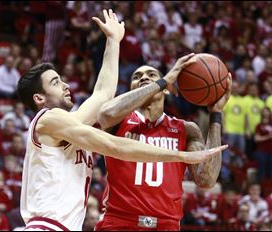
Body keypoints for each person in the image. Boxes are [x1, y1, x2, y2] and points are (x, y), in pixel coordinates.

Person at [17, 9, 226, 231]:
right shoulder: (49, 119)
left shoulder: (72, 123)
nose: (66, 85)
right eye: (56, 82)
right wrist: (179, 155)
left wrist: (113, 40)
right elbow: (113, 144)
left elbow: (103, 93)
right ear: (39, 98)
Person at [94, 60, 232, 230]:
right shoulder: (119, 121)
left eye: (151, 75)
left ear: (166, 90)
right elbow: (105, 115)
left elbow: (206, 180)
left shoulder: (186, 129)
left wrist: (216, 115)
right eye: (137, 77)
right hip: (120, 222)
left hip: (166, 225)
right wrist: (163, 81)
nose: (143, 77)